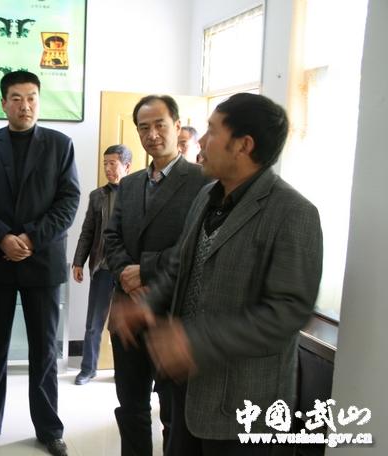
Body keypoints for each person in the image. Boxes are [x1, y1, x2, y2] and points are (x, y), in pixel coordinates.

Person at [116, 93, 323, 455]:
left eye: (212, 131)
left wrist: (193, 341)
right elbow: (181, 264)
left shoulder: (293, 213)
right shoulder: (208, 196)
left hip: (244, 406)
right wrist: (147, 304)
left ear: (244, 145)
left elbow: (288, 313)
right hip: (188, 392)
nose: (200, 142)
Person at [0, 70, 80, 456]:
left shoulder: (60, 144)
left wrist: (29, 237)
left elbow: (69, 201)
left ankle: (49, 429)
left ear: (39, 101)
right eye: (16, 98)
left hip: (41, 264)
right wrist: (2, 238)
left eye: (31, 98)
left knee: (44, 352)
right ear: (3, 103)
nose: (24, 105)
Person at [104, 95, 209, 456]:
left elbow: (197, 245)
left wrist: (145, 270)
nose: (152, 134)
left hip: (172, 313)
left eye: (160, 125)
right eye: (143, 127)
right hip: (128, 310)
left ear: (177, 126)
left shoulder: (202, 182)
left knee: (173, 411)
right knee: (130, 405)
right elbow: (111, 236)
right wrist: (125, 274)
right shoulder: (130, 184)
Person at [71, 144, 132, 386]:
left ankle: (124, 372)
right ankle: (88, 369)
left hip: (127, 270)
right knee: (94, 323)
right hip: (102, 268)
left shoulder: (138, 193)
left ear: (126, 166)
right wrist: (78, 261)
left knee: (125, 324)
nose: (107, 168)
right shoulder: (97, 196)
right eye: (105, 163)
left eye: (112, 163)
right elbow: (88, 231)